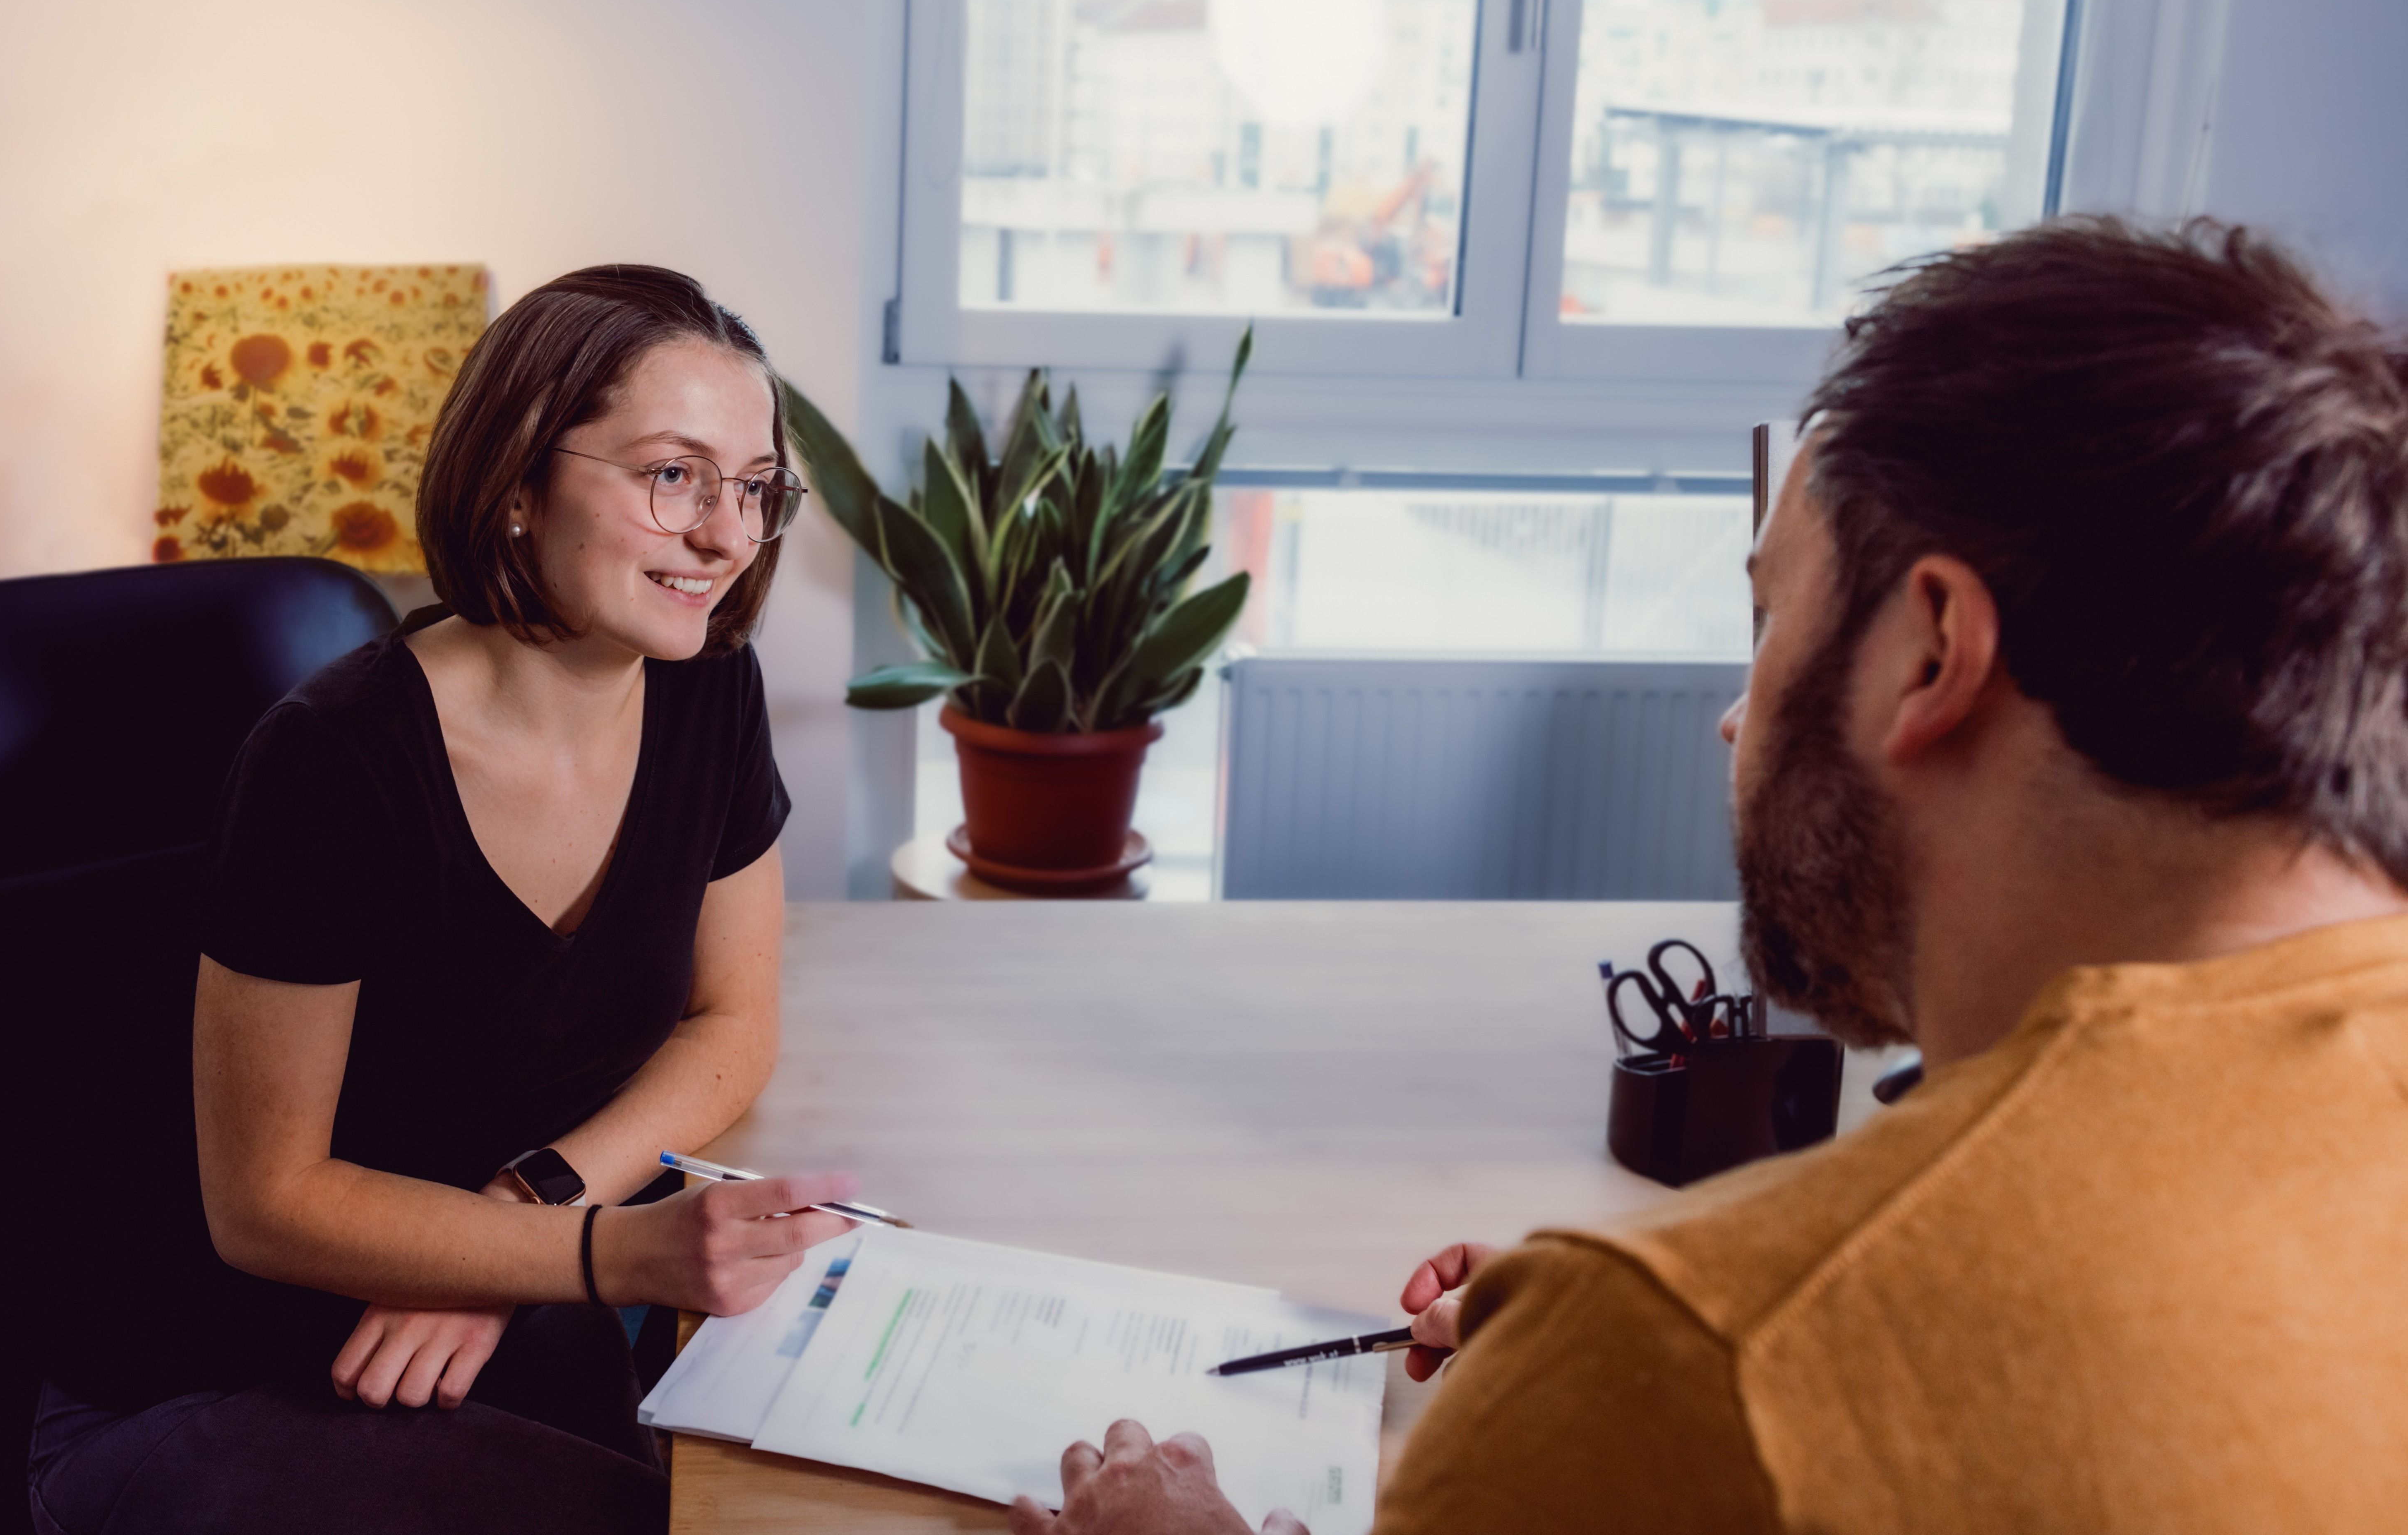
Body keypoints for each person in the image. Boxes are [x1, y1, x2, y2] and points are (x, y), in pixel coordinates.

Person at [1015, 217, 2408, 1534]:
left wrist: (1633, 1361)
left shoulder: (1703, 1349)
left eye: (1770, 618)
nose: (1734, 717)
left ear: (1931, 655)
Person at [26, 265, 856, 1535]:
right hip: (220, 1373)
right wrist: (607, 1254)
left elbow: (732, 1021)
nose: (728, 538)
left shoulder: (703, 692)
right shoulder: (335, 760)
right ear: (519, 481)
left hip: (496, 1318)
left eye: (754, 490)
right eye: (673, 476)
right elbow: (265, 1201)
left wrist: (529, 1213)